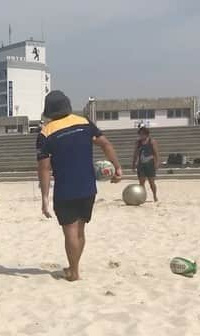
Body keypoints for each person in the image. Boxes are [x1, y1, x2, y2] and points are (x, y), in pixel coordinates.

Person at [37, 90, 122, 282]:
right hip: (88, 186)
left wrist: (44, 197)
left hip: (65, 189)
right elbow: (106, 144)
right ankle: (73, 267)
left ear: (48, 110)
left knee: (70, 232)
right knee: (80, 230)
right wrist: (117, 167)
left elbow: (44, 168)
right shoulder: (84, 122)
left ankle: (74, 272)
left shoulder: (46, 132)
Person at [132, 125, 160, 202]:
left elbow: (156, 153)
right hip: (141, 165)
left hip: (150, 164)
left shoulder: (152, 141)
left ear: (147, 134)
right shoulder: (138, 143)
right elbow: (135, 154)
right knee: (141, 183)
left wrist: (157, 163)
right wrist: (133, 164)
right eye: (140, 134)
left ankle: (154, 195)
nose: (141, 135)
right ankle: (143, 197)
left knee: (151, 182)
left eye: (143, 134)